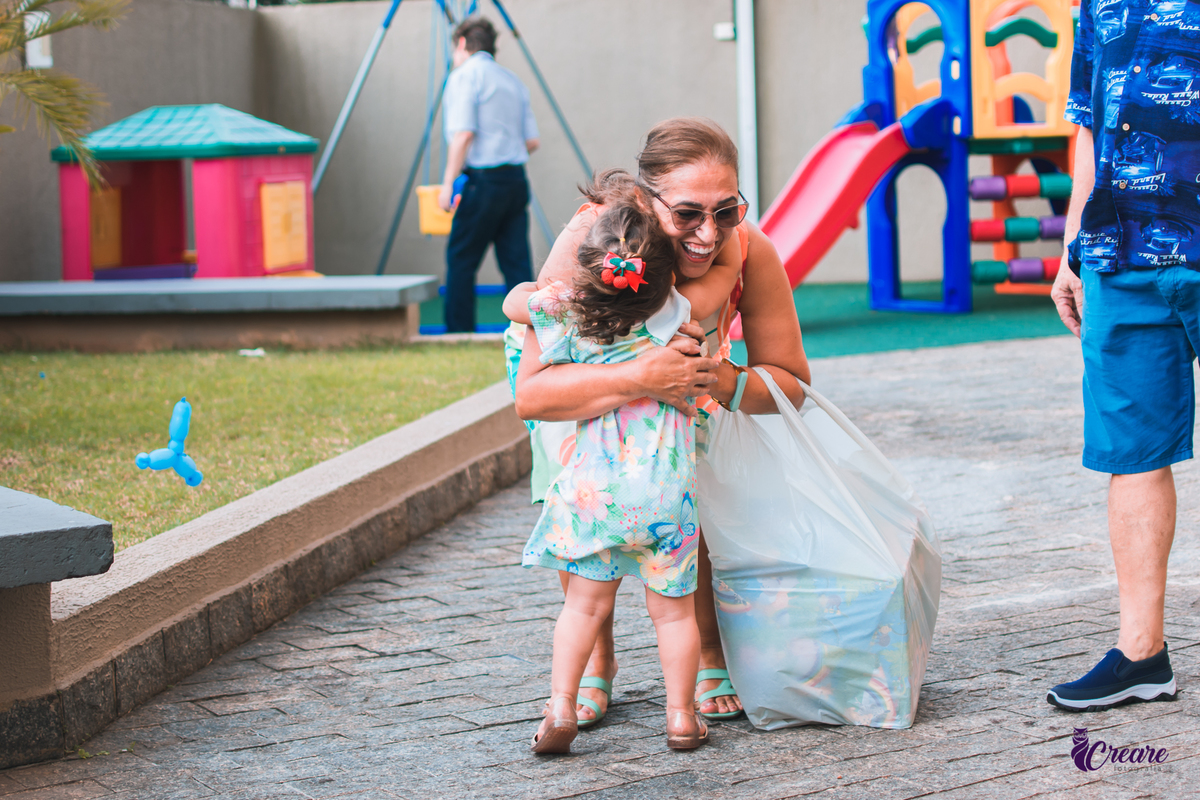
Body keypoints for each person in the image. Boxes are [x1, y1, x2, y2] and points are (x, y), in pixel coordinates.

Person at [510, 117, 810, 726]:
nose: (710, 232)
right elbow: (539, 387)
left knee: (681, 510)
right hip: (580, 398)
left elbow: (793, 384)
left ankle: (706, 651)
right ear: (647, 201)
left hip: (683, 401)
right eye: (689, 214)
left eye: (728, 211)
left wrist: (720, 380)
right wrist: (639, 379)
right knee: (586, 515)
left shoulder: (747, 247)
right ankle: (595, 663)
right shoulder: (600, 234)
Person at [519, 202, 711, 754]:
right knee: (673, 613)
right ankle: (680, 717)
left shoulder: (569, 321)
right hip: (666, 498)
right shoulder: (678, 320)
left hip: (593, 496)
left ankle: (560, 707)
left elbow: (524, 306)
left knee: (582, 607)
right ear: (661, 278)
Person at [1046, 1, 1185, 711]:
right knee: (1130, 452)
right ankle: (1142, 654)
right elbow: (1088, 121)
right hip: (1118, 254)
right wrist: (1074, 246)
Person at [438, 16, 540, 333]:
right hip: (515, 181)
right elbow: (532, 142)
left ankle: (459, 332)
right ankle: (530, 332)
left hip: (482, 183)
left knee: (461, 260)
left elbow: (463, 134)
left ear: (463, 44)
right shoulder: (513, 81)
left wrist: (446, 185)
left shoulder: (464, 75)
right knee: (517, 265)